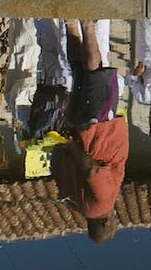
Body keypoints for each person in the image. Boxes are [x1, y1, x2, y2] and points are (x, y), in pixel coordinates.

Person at [55, 18, 129, 243]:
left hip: (97, 134)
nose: (117, 222)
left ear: (106, 224)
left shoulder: (102, 205)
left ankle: (86, 23)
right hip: (78, 129)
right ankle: (70, 24)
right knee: (79, 73)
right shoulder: (73, 203)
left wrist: (73, 147)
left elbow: (91, 171)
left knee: (95, 76)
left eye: (114, 226)